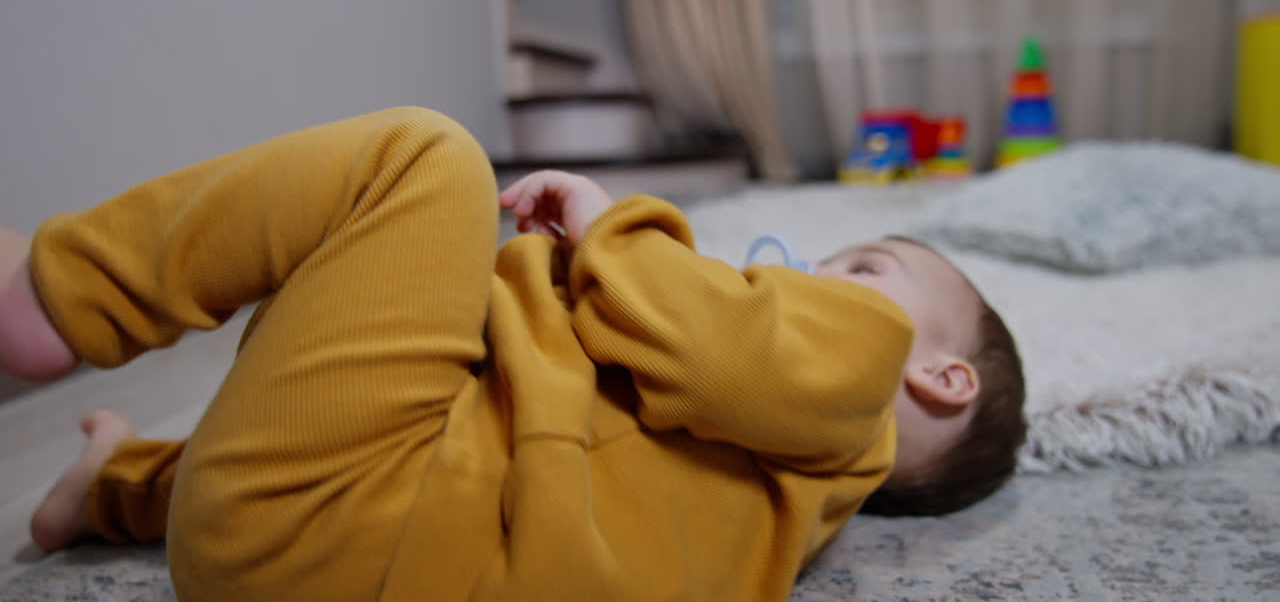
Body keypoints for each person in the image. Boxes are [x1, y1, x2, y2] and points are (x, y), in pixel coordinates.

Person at [0, 107, 1026, 602]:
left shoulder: (848, 385)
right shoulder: (754, 487)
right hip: (329, 561)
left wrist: (611, 231)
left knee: (423, 160)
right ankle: (112, 488)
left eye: (862, 268)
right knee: (446, 408)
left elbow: (721, 344)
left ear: (937, 376)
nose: (798, 275)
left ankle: (60, 297)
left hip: (351, 531)